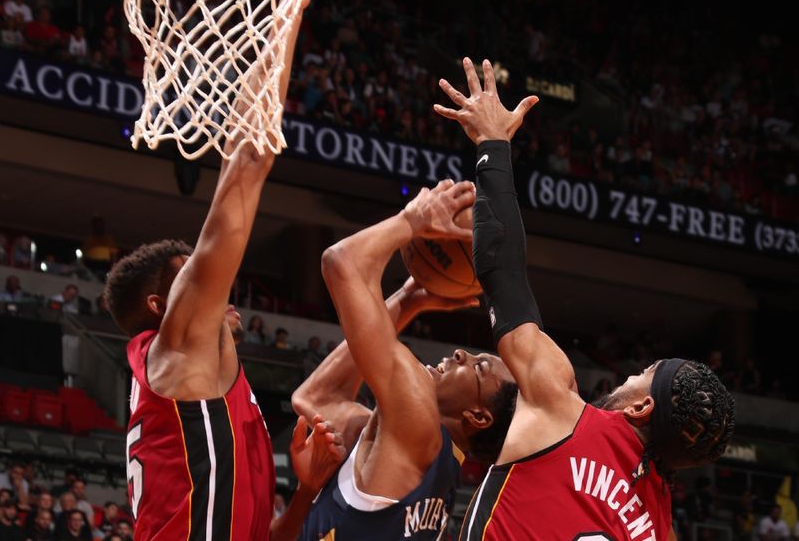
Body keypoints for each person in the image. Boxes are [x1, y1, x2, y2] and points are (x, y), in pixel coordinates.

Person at [434, 57, 735, 540]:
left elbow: (501, 271)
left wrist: (492, 144)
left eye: (642, 376)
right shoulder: (661, 532)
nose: (630, 375)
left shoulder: (562, 405)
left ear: (641, 410)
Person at [101, 0, 343, 541]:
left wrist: (307, 492)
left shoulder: (200, 382)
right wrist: (290, 12)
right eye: (193, 278)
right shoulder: (178, 346)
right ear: (164, 305)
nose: (219, 283)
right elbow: (250, 160)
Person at [295, 183, 517, 540]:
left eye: (480, 367)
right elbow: (319, 400)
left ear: (477, 416)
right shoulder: (428, 457)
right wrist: (409, 298)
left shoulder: (418, 421)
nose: (462, 354)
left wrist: (412, 220)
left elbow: (341, 262)